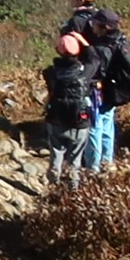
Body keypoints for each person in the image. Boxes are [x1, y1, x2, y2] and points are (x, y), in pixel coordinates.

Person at [59, 0, 130, 176]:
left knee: (95, 126)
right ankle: (107, 162)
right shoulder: (118, 39)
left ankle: (93, 167)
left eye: (96, 24)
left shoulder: (99, 44)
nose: (92, 26)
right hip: (113, 89)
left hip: (98, 89)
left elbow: (95, 66)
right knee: (107, 124)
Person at [42, 30, 101, 187]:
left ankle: (54, 183)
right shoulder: (85, 73)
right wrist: (83, 41)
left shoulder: (49, 73)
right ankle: (72, 190)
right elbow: (94, 59)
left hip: (56, 119)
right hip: (79, 121)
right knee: (75, 158)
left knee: (56, 152)